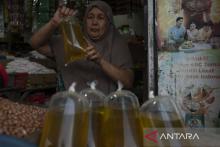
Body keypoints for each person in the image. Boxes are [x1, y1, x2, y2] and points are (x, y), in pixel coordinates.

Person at [30, 1, 134, 94]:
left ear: (109, 23)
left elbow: (128, 81)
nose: (94, 22)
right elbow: (35, 44)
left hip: (105, 108)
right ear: (85, 21)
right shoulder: (72, 40)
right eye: (90, 17)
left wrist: (101, 61)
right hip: (72, 106)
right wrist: (53, 23)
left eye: (100, 17)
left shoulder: (117, 44)